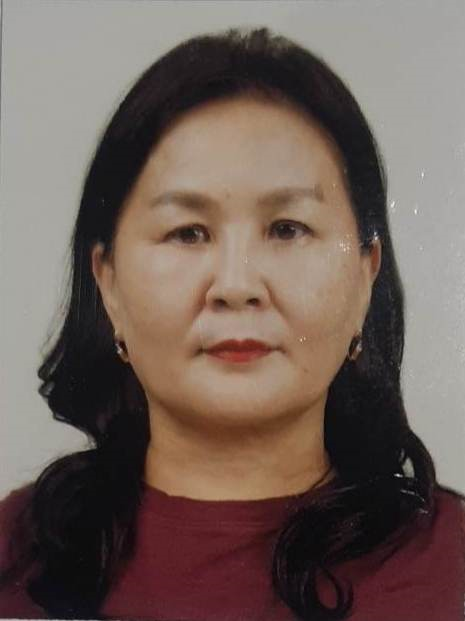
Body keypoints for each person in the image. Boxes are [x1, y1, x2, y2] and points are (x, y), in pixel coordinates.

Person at [0, 26, 463, 621]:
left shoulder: (451, 563)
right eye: (188, 233)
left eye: (287, 229)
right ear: (107, 282)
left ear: (364, 277)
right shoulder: (14, 554)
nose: (237, 286)